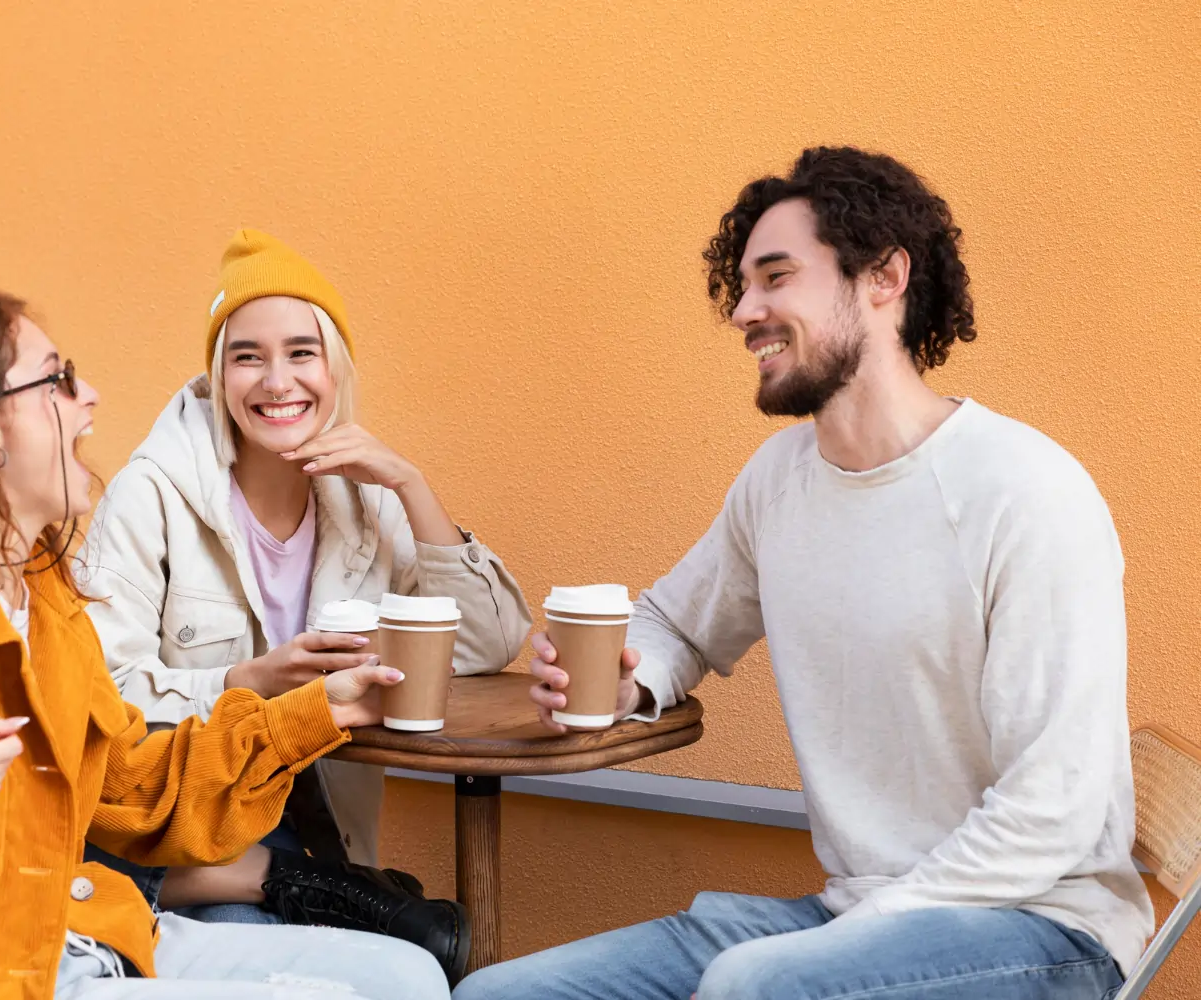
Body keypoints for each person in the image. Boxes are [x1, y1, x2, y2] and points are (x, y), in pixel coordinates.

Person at [456, 147, 1154, 1000]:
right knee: (501, 996)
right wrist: (629, 682)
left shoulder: (1026, 492)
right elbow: (675, 624)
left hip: (1041, 925)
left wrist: (843, 940)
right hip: (851, 914)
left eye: (777, 277)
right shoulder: (781, 479)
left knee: (753, 988)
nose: (746, 310)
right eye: (742, 286)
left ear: (884, 277)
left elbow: (1054, 810)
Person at [0, 293, 449, 1000]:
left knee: (409, 977)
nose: (88, 397)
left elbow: (128, 786)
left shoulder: (47, 594)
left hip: (85, 933)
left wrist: (314, 711)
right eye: (57, 381)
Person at [78, 229, 532, 984]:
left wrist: (413, 487)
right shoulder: (150, 494)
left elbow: (484, 647)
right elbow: (97, 696)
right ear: (219, 375)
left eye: (301, 352)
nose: (276, 381)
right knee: (322, 966)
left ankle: (346, 894)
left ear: (335, 368)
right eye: (246, 356)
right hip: (190, 830)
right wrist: (244, 682)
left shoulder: (364, 496)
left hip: (324, 833)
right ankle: (331, 897)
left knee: (402, 966)